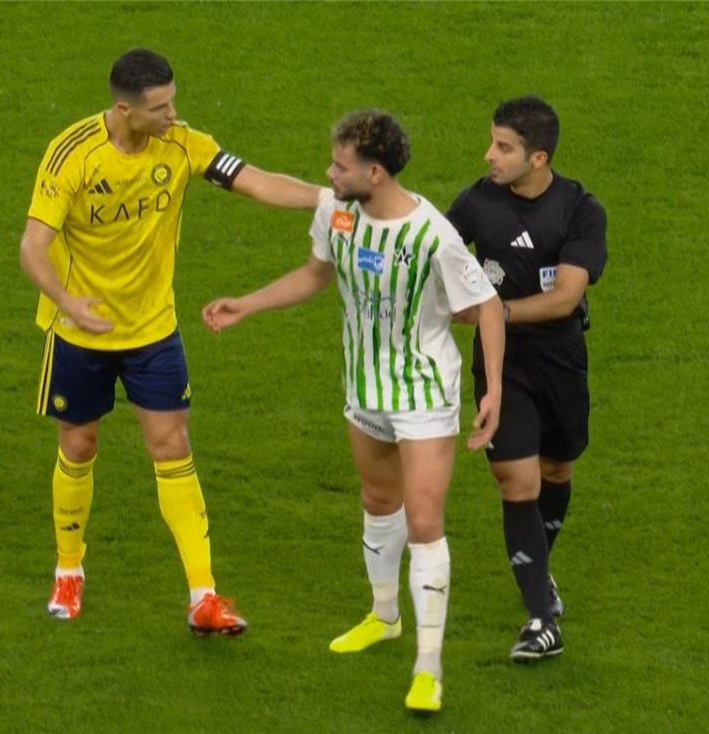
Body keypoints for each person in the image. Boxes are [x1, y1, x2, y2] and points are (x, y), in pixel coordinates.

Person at [202, 109, 504, 712]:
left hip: (423, 392)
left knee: (424, 522)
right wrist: (248, 304)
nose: (329, 173)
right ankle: (384, 616)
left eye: (340, 166)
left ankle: (428, 668)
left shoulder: (433, 235)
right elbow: (316, 273)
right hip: (365, 386)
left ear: (375, 172)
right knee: (377, 500)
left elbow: (488, 305)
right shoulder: (336, 211)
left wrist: (492, 389)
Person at [19, 48, 320, 637]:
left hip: (153, 329)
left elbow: (255, 181)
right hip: (80, 331)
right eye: (160, 108)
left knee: (173, 445)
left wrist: (328, 197)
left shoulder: (181, 145)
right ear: (124, 110)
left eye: (173, 102)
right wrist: (68, 302)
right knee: (78, 446)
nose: (173, 115)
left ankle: (203, 596)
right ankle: (68, 571)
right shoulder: (72, 154)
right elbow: (33, 246)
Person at [446, 95, 607, 661]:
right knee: (517, 483)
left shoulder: (579, 210)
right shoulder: (475, 202)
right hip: (501, 363)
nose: (489, 155)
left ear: (538, 158)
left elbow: (564, 298)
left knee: (556, 468)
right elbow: (432, 256)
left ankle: (539, 570)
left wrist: (494, 309)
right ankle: (540, 619)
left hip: (560, 361)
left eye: (503, 147)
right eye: (492, 142)